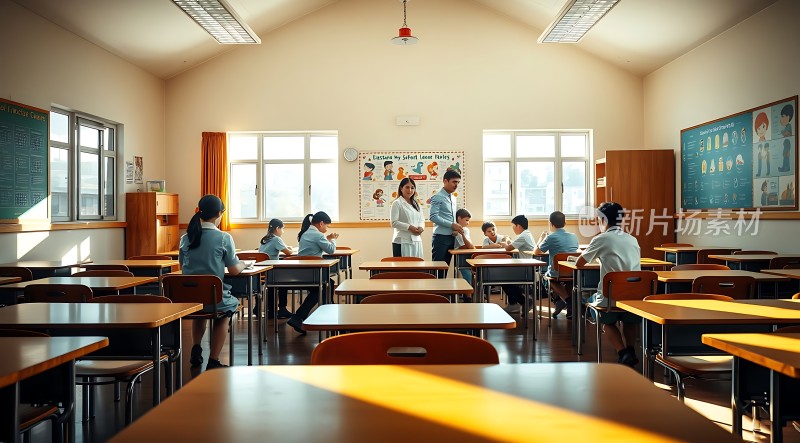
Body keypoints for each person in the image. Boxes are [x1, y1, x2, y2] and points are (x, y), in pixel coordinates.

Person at [179, 194, 245, 370]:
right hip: (214, 298)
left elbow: (182, 266)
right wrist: (244, 263)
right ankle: (213, 360)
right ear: (219, 214)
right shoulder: (223, 238)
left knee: (200, 305)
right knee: (225, 310)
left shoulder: (185, 238)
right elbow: (234, 270)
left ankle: (196, 347)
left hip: (190, 298)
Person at [575, 202, 641, 367]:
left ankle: (622, 352)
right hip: (633, 296)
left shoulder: (601, 239)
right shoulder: (632, 239)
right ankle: (631, 349)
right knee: (629, 320)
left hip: (610, 294)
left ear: (603, 220)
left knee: (606, 320)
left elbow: (579, 263)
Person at [286, 211, 339, 335]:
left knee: (328, 283)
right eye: (327, 226)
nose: (326, 228)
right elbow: (331, 250)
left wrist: (328, 238)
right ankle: (307, 316)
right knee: (323, 287)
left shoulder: (305, 233)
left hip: (301, 272)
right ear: (321, 224)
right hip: (311, 273)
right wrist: (334, 240)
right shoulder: (318, 235)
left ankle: (322, 312)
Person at [534, 211, 579, 318]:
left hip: (557, 272)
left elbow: (537, 252)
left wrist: (541, 238)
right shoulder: (574, 236)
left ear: (550, 223)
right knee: (569, 281)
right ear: (565, 223)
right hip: (572, 270)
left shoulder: (550, 237)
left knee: (547, 277)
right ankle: (569, 308)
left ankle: (566, 300)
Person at [258, 218, 293, 319]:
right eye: (283, 228)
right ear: (277, 228)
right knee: (284, 281)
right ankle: (282, 309)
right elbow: (289, 253)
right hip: (271, 272)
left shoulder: (265, 239)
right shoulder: (276, 239)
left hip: (263, 271)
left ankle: (260, 308)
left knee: (276, 281)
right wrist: (290, 248)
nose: (283, 231)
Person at [501, 215, 536, 314]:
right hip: (527, 266)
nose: (513, 229)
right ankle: (517, 302)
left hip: (525, 269)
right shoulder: (527, 234)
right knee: (505, 277)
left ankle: (519, 302)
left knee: (502, 277)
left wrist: (504, 244)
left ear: (518, 226)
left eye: (513, 226)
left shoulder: (523, 236)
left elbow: (508, 248)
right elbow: (513, 245)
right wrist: (508, 242)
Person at [429, 169, 463, 271]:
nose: (456, 185)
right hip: (440, 238)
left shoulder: (453, 198)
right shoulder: (438, 197)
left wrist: (456, 227)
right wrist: (452, 225)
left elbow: (451, 216)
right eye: (454, 182)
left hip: (452, 237)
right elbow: (433, 217)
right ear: (445, 181)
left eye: (458, 182)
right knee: (437, 269)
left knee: (445, 269)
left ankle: (443, 287)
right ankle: (435, 287)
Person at [390, 177, 424, 258]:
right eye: (407, 187)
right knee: (403, 268)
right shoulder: (397, 203)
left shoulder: (416, 204)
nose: (410, 190)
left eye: (412, 188)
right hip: (402, 241)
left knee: (418, 267)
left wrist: (421, 227)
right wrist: (409, 227)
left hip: (416, 240)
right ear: (401, 188)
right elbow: (394, 222)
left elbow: (421, 219)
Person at [453, 208, 474, 284]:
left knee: (469, 273)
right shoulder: (454, 229)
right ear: (459, 218)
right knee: (465, 272)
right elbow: (467, 246)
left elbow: (470, 246)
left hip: (467, 253)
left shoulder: (465, 230)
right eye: (466, 220)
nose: (468, 223)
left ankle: (469, 293)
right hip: (461, 255)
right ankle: (468, 294)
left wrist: (462, 234)